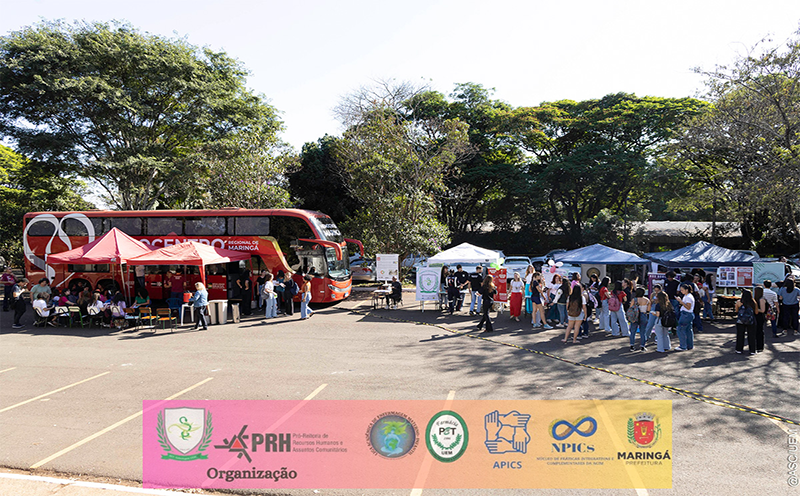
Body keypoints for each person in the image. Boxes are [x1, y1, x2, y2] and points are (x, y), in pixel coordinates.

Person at [735, 289, 757, 355]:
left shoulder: (739, 302)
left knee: (740, 335)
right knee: (751, 335)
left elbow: (736, 311)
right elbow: (756, 312)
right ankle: (752, 350)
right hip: (751, 321)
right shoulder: (753, 302)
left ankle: (739, 349)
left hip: (740, 321)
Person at [674, 283, 695, 351]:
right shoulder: (688, 296)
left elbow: (688, 307)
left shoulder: (688, 297)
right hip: (689, 314)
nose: (681, 291)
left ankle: (683, 346)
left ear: (686, 290)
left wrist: (680, 301)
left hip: (686, 314)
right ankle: (690, 345)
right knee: (689, 330)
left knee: (680, 329)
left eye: (682, 290)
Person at [628, 287, 650, 351]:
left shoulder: (634, 300)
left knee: (633, 331)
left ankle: (632, 345)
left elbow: (630, 308)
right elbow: (648, 309)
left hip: (635, 315)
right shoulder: (647, 300)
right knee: (643, 332)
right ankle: (642, 346)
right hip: (643, 315)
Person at [754, 286, 766, 353]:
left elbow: (763, 310)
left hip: (760, 316)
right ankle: (756, 345)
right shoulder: (755, 299)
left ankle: (760, 346)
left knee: (760, 331)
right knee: (756, 331)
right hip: (756, 316)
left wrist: (755, 309)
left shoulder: (761, 299)